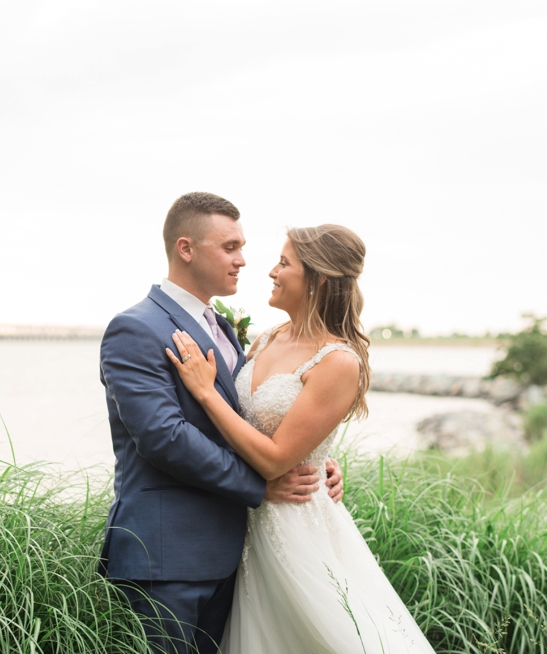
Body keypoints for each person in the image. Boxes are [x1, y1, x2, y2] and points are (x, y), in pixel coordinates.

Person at [167, 224, 436, 653]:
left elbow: (275, 459)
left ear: (319, 279)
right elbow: (260, 421)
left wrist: (203, 390)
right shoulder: (268, 338)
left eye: (284, 263)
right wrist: (320, 455)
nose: (271, 271)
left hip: (293, 525)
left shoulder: (338, 360)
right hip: (244, 520)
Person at [98, 192, 344, 654]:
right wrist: (261, 487)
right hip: (165, 556)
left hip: (233, 556)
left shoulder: (226, 331)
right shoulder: (135, 328)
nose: (243, 261)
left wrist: (314, 458)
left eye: (243, 247)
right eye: (229, 247)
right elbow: (163, 438)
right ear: (186, 248)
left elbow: (251, 416)